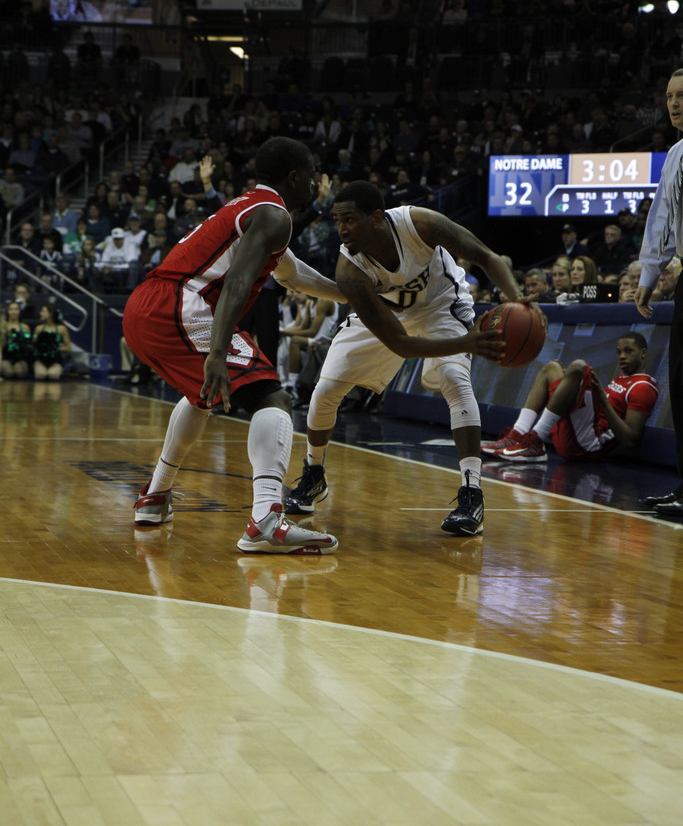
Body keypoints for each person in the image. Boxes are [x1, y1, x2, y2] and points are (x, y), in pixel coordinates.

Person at [122, 136, 345, 554]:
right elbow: (239, 282)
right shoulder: (274, 215)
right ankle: (266, 520)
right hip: (180, 305)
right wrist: (219, 354)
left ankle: (155, 496)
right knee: (273, 398)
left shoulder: (251, 208)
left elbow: (294, 275)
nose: (316, 185)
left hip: (149, 306)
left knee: (204, 395)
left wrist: (351, 296)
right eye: (313, 176)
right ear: (295, 177)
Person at [284, 180, 534, 538]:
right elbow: (400, 343)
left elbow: (486, 256)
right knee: (326, 390)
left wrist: (517, 299)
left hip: (442, 304)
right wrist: (470, 343)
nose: (341, 229)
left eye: (349, 220)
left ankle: (472, 493)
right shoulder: (349, 270)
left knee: (454, 378)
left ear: (375, 218)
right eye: (337, 220)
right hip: (391, 315)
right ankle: (314, 473)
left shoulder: (420, 223)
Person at [482, 331, 657, 463]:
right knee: (551, 367)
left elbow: (630, 438)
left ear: (643, 353)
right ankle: (517, 434)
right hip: (580, 431)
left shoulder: (643, 387)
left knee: (580, 367)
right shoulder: (624, 378)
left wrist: (602, 399)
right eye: (618, 352)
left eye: (628, 351)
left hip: (589, 444)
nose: (622, 356)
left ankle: (534, 442)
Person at [636, 67, 683, 517]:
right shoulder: (675, 154)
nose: (674, 103)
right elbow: (662, 222)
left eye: (682, 95)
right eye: (669, 95)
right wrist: (648, 277)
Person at [32, 302, 71, 380]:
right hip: (41, 358)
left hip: (55, 359)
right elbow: (34, 344)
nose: (41, 313)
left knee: (52, 375)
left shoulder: (61, 328)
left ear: (51, 314)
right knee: (41, 375)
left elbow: (68, 348)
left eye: (43, 311)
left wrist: (54, 348)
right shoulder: (38, 328)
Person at [1, 301, 32, 379]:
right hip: (6, 357)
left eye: (16, 309)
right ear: (8, 311)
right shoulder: (3, 326)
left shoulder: (25, 327)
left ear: (19, 311)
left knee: (19, 372)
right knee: (9, 372)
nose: (13, 312)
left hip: (21, 358)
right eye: (11, 309)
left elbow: (29, 344)